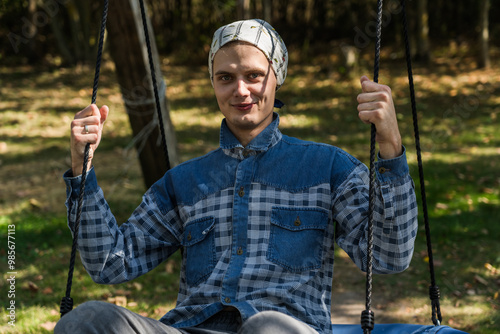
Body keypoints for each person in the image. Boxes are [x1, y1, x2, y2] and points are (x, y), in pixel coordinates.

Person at [55, 19, 418, 334]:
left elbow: (390, 255)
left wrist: (389, 144)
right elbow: (110, 262)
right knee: (84, 321)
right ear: (213, 84)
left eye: (254, 76)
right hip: (192, 328)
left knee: (265, 327)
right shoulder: (184, 182)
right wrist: (81, 169)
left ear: (277, 77)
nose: (240, 91)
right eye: (226, 78)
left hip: (283, 329)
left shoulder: (328, 168)